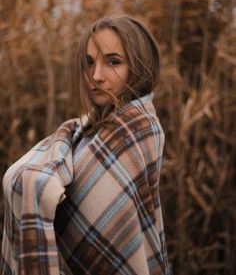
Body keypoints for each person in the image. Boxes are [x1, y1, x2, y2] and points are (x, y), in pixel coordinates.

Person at [1, 15, 170, 275]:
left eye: (113, 62)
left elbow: (109, 219)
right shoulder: (82, 129)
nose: (96, 76)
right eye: (89, 63)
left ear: (138, 67)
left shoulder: (141, 130)